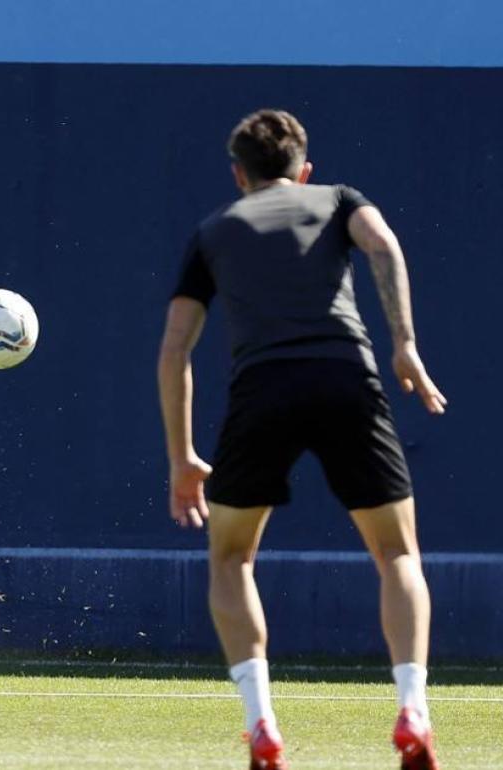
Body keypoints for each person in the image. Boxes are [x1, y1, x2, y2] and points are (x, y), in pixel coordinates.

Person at [157, 109, 446, 770]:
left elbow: (176, 350)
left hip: (264, 390)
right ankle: (412, 713)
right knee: (398, 553)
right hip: (348, 374)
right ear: (303, 170)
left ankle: (262, 727)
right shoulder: (339, 199)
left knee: (230, 559)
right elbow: (384, 245)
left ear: (239, 174)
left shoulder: (213, 231)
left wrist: (181, 457)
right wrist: (403, 345)